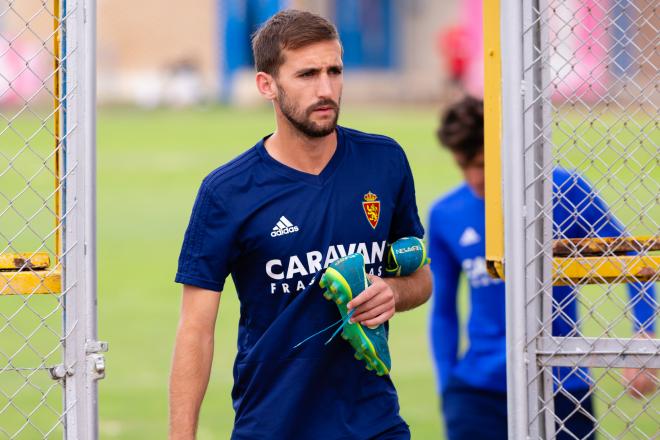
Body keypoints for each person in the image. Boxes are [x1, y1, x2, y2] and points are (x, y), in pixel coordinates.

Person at [169, 10, 432, 440]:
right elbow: (196, 329)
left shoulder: (385, 162)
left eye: (335, 71)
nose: (326, 89)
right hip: (273, 424)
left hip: (374, 422)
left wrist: (394, 292)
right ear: (266, 85)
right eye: (307, 74)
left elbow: (420, 276)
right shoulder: (226, 192)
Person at [428, 96, 657, 440]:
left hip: (562, 383)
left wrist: (644, 336)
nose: (474, 177)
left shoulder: (566, 192)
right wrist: (448, 385)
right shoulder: (447, 213)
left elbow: (633, 261)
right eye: (464, 164)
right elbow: (443, 309)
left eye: (482, 163)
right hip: (478, 391)